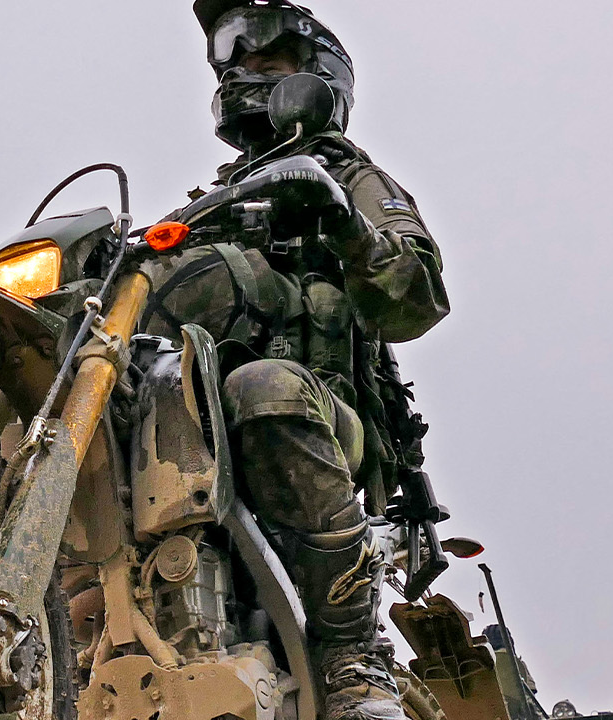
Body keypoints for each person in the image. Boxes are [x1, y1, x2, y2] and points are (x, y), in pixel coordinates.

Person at [142, 3, 452, 720]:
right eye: (236, 65)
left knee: (265, 384)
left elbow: (418, 298)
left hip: (324, 424)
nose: (243, 76)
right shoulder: (209, 202)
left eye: (267, 65)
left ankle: (352, 654)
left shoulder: (348, 175)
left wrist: (342, 219)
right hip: (200, 426)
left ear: (316, 81)